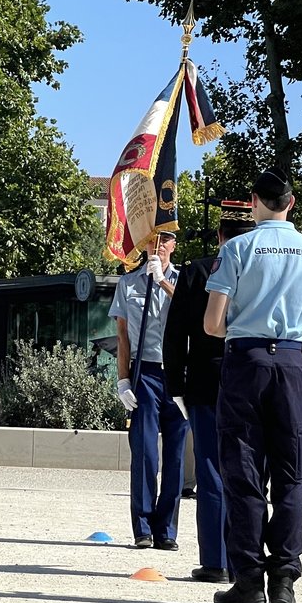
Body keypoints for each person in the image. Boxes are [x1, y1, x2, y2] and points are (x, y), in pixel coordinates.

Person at [203, 166, 302, 603]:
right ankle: (284, 581)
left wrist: (247, 338)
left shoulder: (238, 248)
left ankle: (248, 581)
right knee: (291, 474)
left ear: (254, 202)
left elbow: (212, 323)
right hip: (293, 364)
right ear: (292, 203)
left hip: (247, 360)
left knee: (242, 473)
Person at [163, 200, 255, 583]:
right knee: (248, 472)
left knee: (211, 471)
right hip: (251, 382)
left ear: (219, 235)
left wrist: (175, 384)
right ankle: (244, 561)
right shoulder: (259, 271)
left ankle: (215, 561)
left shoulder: (197, 271)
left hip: (204, 384)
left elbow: (175, 333)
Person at [109, 231, 186, 550]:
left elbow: (192, 315)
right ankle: (142, 526)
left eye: (165, 240)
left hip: (178, 372)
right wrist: (123, 379)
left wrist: (164, 283)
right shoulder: (128, 284)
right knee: (144, 452)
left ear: (173, 245)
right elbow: (123, 337)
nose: (159, 247)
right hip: (146, 371)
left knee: (176, 455)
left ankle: (166, 529)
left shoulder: (184, 281)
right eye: (153, 240)